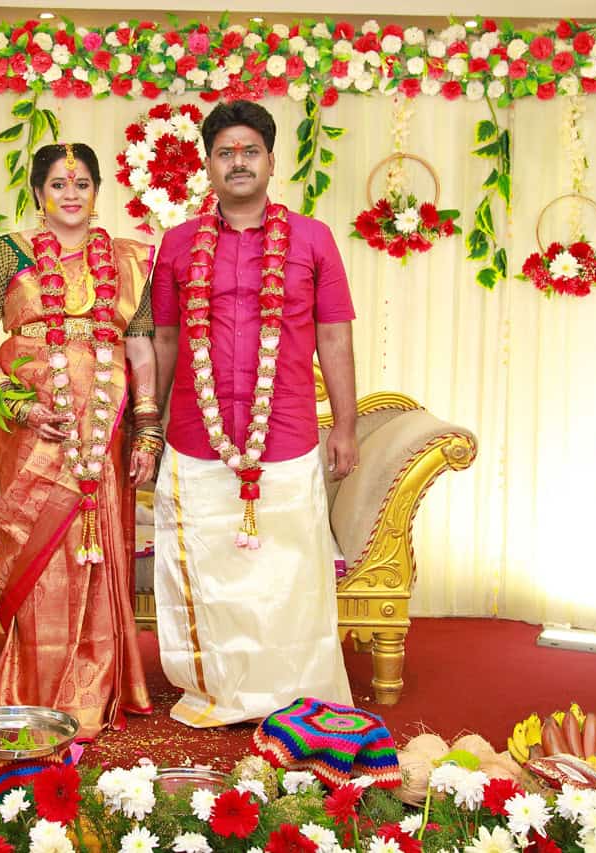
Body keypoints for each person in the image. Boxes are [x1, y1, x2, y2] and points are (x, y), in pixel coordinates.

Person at [151, 101, 358, 728]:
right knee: (211, 573)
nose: (237, 162)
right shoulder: (178, 242)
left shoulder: (313, 238)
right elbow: (163, 341)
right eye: (224, 152)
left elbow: (336, 337)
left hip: (288, 435)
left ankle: (292, 696)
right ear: (208, 166)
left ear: (271, 160)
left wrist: (344, 426)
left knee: (289, 574)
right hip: (195, 436)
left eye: (250, 151)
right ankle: (217, 691)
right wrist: (148, 428)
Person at [0, 143, 161, 741]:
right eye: (57, 184)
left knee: (99, 552)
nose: (70, 194)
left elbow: (143, 348)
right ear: (37, 193)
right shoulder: (6, 253)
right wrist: (16, 401)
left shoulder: (129, 261)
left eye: (81, 183)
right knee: (43, 551)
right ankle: (35, 683)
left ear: (98, 192)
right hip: (34, 429)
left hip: (105, 426)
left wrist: (148, 429)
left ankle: (95, 686)